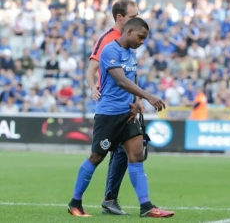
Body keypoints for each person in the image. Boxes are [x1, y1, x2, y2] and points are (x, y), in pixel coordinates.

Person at [68, 17, 175, 218]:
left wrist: (137, 101)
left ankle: (146, 207)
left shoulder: (131, 53)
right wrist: (148, 96)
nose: (142, 41)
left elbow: (133, 78)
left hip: (127, 114)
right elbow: (120, 80)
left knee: (136, 156)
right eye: (140, 37)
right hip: (108, 114)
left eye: (144, 39)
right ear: (128, 31)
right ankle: (75, 203)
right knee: (96, 158)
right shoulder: (110, 50)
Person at [86, 0, 142, 215]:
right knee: (105, 154)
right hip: (110, 108)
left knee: (124, 153)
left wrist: (137, 101)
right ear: (120, 17)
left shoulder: (132, 38)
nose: (137, 20)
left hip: (127, 107)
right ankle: (100, 199)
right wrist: (93, 87)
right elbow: (91, 70)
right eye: (133, 16)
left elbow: (132, 73)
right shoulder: (106, 40)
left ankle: (111, 199)